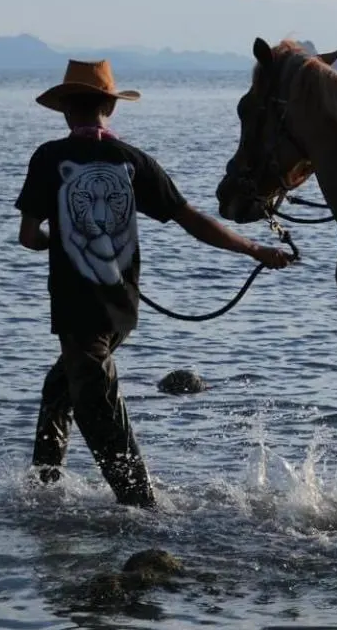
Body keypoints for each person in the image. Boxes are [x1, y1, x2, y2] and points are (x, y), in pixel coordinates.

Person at [15, 58, 292, 507]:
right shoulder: (134, 162)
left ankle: (141, 505)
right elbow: (193, 220)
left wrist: (60, 238)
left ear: (66, 110)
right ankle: (45, 488)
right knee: (61, 388)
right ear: (111, 107)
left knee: (95, 405)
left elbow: (29, 237)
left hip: (75, 306)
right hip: (120, 310)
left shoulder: (49, 158)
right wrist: (255, 249)